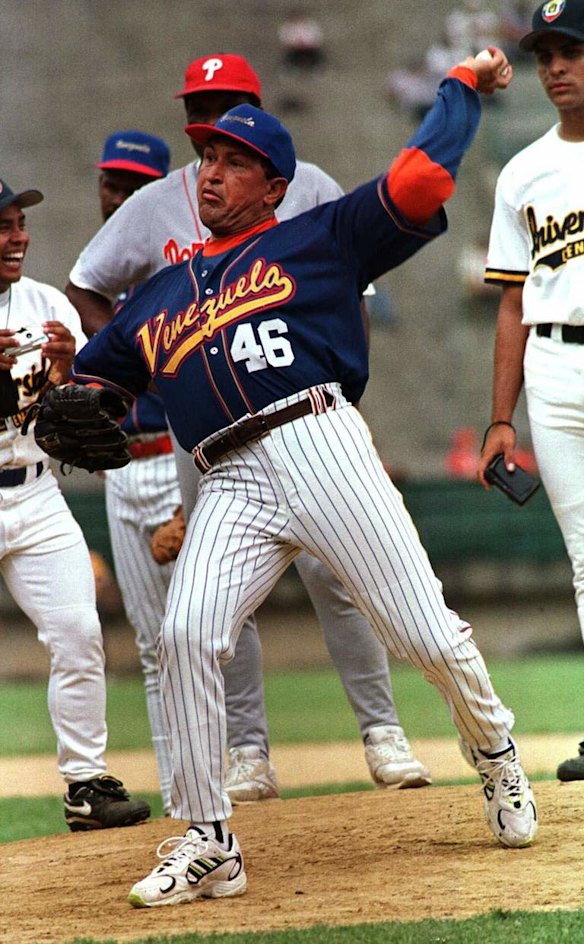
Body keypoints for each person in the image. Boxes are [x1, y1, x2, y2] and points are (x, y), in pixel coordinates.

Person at [64, 47, 539, 909]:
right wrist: (70, 399)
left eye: (234, 161)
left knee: (425, 635)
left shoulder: (318, 237)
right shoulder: (162, 294)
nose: (210, 174)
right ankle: (211, 840)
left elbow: (425, 179)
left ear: (275, 183)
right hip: (227, 478)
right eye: (206, 157)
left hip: (321, 444)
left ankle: (497, 755)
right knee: (185, 634)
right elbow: (96, 381)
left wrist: (460, 87)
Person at [66, 53, 431, 802]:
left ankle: (382, 732)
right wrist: (146, 376)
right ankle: (249, 752)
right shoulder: (163, 200)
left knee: (340, 575)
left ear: (259, 105)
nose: (213, 114)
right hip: (210, 437)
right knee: (216, 595)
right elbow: (88, 283)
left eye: (229, 99)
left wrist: (347, 389)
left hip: (305, 418)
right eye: (201, 104)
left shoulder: (311, 186)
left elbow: (353, 294)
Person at [0, 178, 150, 832]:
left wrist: (69, 375)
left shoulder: (46, 304)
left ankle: (86, 784)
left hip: (34, 493)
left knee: (80, 633)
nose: (18, 236)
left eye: (18, 223)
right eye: (2, 225)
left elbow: (87, 415)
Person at [478, 0, 584, 784]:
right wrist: (499, 419)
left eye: (571, 50)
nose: (555, 67)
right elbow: (513, 303)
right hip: (551, 369)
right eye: (546, 54)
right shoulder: (523, 170)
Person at [92, 130, 178, 814]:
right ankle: (183, 794)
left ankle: (248, 766)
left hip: (178, 460)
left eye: (133, 187)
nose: (117, 198)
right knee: (152, 647)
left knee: (206, 635)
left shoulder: (176, 276)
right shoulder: (90, 288)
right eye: (110, 185)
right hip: (122, 472)